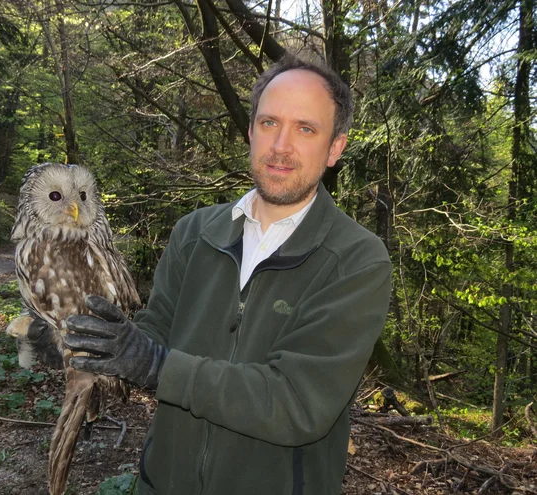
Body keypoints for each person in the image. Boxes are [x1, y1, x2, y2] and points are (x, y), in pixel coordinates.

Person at [64, 55, 392, 495]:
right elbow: (155, 332)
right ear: (251, 130)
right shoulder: (195, 232)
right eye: (269, 122)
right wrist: (85, 344)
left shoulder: (356, 260)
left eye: (306, 129)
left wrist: (157, 366)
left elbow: (297, 403)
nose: (281, 145)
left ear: (335, 148)